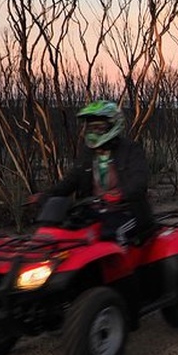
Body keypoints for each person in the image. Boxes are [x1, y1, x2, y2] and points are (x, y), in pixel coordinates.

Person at [35, 100, 155, 246]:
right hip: (95, 211)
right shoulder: (88, 153)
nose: (93, 132)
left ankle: (125, 269)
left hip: (128, 212)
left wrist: (120, 194)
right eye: (90, 128)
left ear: (113, 125)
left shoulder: (131, 150)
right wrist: (47, 195)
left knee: (111, 236)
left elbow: (139, 181)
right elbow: (71, 180)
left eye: (99, 127)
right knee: (68, 232)